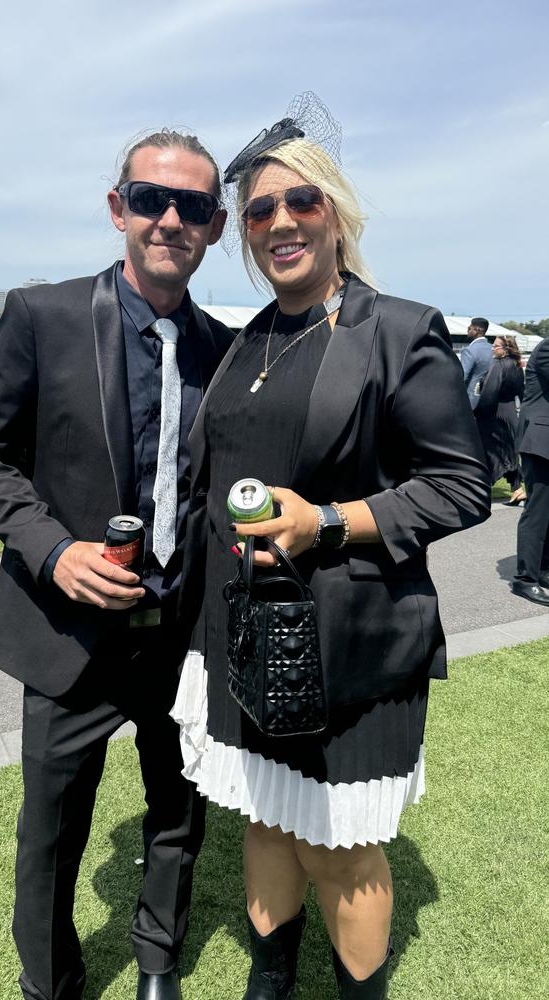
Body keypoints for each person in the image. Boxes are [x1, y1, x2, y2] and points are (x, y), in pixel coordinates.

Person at [171, 94, 491, 1000]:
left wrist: (331, 520)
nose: (280, 223)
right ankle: (269, 983)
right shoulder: (247, 340)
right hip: (241, 634)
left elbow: (461, 485)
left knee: (340, 841)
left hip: (349, 640)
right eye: (261, 210)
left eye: (301, 203)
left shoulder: (395, 331)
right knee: (267, 820)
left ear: (337, 215)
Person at [0, 130, 230, 1000]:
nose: (170, 219)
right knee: (52, 831)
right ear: (119, 208)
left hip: (177, 633)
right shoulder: (44, 315)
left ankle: (157, 961)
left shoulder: (223, 349)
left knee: (181, 814)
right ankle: (52, 983)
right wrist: (56, 550)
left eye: (192, 206)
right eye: (152, 199)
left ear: (215, 227)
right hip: (69, 630)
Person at [511, 337, 549, 606]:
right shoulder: (547, 347)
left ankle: (543, 570)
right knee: (537, 511)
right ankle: (525, 579)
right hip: (541, 439)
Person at [474, 335, 525, 490]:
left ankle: (482, 488)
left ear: (506, 349)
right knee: (508, 451)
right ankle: (516, 489)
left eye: (496, 346)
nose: (492, 348)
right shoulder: (516, 365)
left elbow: (490, 393)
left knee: (490, 452)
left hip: (495, 413)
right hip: (509, 413)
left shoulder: (499, 365)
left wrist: (477, 413)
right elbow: (520, 391)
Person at [460, 316, 493, 410]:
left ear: (476, 330)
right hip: (489, 397)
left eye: (469, 327)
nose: (468, 330)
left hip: (471, 399)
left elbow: (462, 376)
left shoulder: (469, 350)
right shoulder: (493, 349)